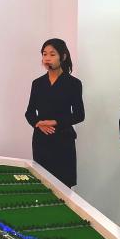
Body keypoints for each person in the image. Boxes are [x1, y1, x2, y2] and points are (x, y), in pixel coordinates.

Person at [24, 38, 84, 188]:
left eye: (52, 54)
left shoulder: (73, 84)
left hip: (63, 142)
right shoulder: (37, 83)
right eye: (44, 54)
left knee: (63, 188)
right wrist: (38, 124)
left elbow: (79, 115)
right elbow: (29, 113)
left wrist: (55, 122)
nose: (47, 58)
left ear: (63, 57)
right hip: (41, 141)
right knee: (41, 186)